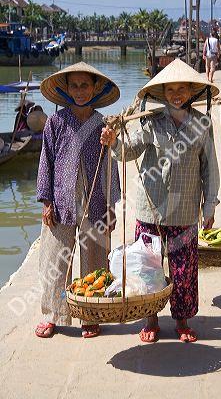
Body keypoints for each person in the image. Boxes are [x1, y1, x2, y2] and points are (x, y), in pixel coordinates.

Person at [100, 58, 220, 343]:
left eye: (181, 89)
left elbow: (210, 168)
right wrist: (113, 141)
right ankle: (151, 319)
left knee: (184, 268)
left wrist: (209, 205)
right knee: (148, 268)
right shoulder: (149, 122)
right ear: (162, 94)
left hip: (185, 211)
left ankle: (181, 320)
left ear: (191, 90)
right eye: (170, 90)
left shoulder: (203, 125)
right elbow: (128, 151)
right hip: (150, 208)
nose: (176, 94)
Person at [35, 61, 121, 338]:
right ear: (66, 88)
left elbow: (110, 166)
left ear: (95, 88)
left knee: (94, 258)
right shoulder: (56, 122)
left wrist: (111, 206)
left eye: (85, 85)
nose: (80, 91)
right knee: (56, 260)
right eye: (75, 85)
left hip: (94, 201)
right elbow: (46, 161)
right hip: (62, 200)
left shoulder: (101, 125)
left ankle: (90, 314)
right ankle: (53, 314)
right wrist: (47, 201)